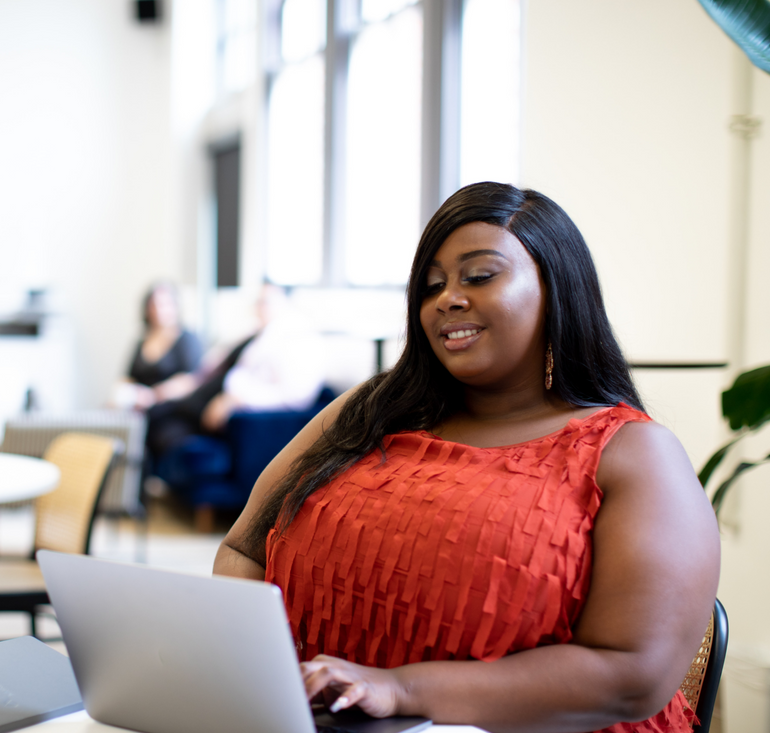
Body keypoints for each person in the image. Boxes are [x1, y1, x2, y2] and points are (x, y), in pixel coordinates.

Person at [213, 183, 720, 732]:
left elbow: (633, 675)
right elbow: (244, 548)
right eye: (431, 286)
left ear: (558, 288)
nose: (448, 298)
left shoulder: (632, 454)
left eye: (479, 276)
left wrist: (401, 689)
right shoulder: (367, 413)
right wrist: (256, 680)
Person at [146, 283, 325, 461]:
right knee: (153, 417)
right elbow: (209, 368)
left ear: (285, 302)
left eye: (265, 302)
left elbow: (295, 396)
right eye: (257, 302)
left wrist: (234, 400)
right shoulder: (255, 335)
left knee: (160, 424)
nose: (259, 308)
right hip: (203, 397)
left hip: (226, 411)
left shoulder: (296, 341)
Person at [113, 281, 203, 410]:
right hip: (139, 410)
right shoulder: (141, 342)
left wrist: (153, 396)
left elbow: (192, 380)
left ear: (175, 306)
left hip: (173, 410)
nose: (159, 310)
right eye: (154, 305)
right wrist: (121, 395)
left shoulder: (187, 339)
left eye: (164, 304)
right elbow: (128, 378)